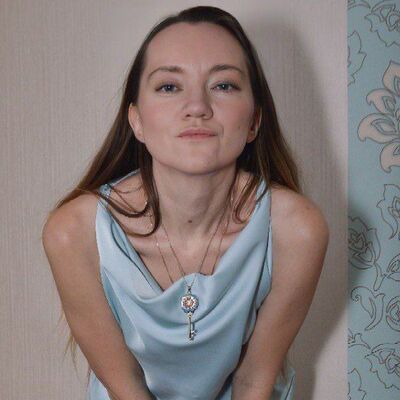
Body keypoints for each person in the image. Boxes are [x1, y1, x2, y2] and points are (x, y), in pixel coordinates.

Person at [42, 5, 329, 400]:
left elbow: (254, 381)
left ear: (253, 121)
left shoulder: (298, 230)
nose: (197, 107)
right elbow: (125, 388)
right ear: (136, 121)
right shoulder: (72, 233)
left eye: (223, 85)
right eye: (169, 87)